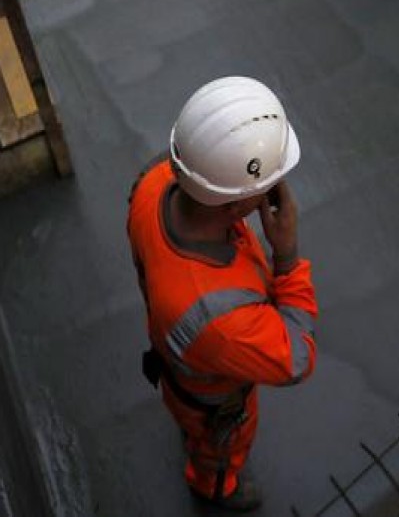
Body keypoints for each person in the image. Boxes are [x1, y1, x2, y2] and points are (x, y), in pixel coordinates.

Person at [126, 76, 319, 510]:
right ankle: (214, 489)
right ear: (235, 204)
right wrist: (286, 259)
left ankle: (195, 441)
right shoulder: (222, 318)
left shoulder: (153, 185)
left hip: (178, 362)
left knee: (192, 420)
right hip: (213, 401)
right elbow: (298, 358)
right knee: (220, 451)